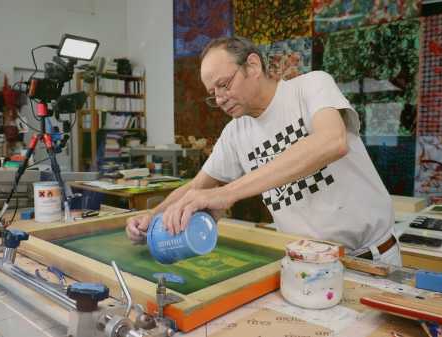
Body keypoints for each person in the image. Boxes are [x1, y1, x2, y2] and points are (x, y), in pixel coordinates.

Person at [126, 36, 401, 266]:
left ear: (253, 65)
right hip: (304, 264)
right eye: (213, 93)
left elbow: (332, 141)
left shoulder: (311, 87)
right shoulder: (235, 133)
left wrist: (226, 193)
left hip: (370, 259)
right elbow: (197, 186)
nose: (220, 99)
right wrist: (153, 217)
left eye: (224, 84)